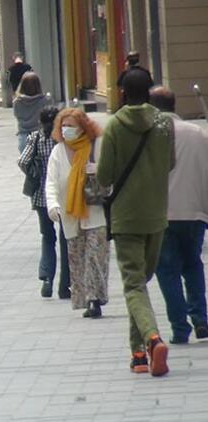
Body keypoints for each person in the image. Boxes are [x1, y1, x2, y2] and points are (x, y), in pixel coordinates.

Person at [97, 69, 175, 376]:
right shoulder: (163, 122)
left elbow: (104, 175)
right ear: (151, 90)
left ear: (123, 93)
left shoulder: (115, 125)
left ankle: (152, 339)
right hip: (157, 214)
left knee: (132, 284)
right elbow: (170, 164)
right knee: (139, 284)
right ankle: (139, 355)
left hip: (126, 216)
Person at [150, 87, 208, 344]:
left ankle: (179, 326)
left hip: (162, 213)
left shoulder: (150, 135)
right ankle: (201, 318)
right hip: (195, 210)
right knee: (193, 263)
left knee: (167, 269)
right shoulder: (198, 134)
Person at [45, 107, 109, 318]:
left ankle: (94, 299)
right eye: (63, 126)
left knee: (94, 257)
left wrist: (97, 171)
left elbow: (111, 177)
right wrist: (53, 205)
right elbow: (51, 183)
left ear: (83, 127)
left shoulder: (96, 146)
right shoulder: (58, 152)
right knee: (78, 259)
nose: (65, 130)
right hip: (70, 216)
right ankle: (87, 297)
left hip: (95, 214)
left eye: (70, 126)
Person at [18, 107, 71, 299]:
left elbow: (22, 160)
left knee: (47, 237)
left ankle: (47, 278)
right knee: (66, 238)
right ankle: (65, 284)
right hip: (64, 195)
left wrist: (35, 172)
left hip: (41, 196)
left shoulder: (36, 138)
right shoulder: (63, 139)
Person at [13, 72, 48, 153]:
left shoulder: (17, 101)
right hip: (40, 135)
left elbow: (17, 115)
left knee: (25, 163)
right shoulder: (43, 100)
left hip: (23, 136)